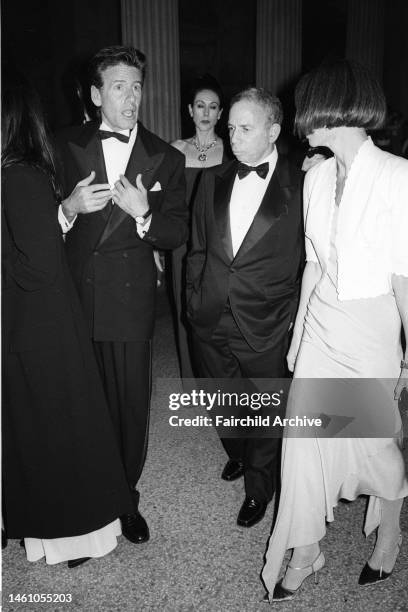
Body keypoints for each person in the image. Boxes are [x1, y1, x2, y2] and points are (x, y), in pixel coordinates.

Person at [262, 59, 408, 602]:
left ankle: (390, 531)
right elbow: (314, 265)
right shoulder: (318, 175)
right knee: (301, 440)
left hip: (371, 329)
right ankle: (305, 550)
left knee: (373, 443)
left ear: (338, 108)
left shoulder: (398, 177)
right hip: (322, 325)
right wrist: (299, 339)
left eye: (308, 109)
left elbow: (403, 278)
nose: (302, 121)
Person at [55, 46, 188, 544]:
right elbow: (27, 223)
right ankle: (87, 492)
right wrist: (66, 209)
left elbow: (176, 232)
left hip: (131, 304)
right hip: (75, 298)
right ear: (95, 94)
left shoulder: (166, 157)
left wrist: (144, 214)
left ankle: (125, 498)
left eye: (137, 86)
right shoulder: (61, 144)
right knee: (80, 402)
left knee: (131, 406)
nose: (131, 97)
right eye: (118, 86)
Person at [1, 68, 133, 567]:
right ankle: (61, 532)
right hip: (40, 324)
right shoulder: (20, 174)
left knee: (56, 432)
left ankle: (77, 533)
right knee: (51, 432)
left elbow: (34, 267)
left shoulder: (19, 177)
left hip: (40, 329)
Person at [186, 87, 304, 527]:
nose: (232, 136)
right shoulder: (212, 178)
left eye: (244, 128)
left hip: (267, 321)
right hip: (211, 313)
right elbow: (197, 249)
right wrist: (194, 300)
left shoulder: (303, 183)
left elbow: (310, 258)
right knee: (223, 399)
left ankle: (259, 485)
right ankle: (236, 450)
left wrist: (294, 316)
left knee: (266, 406)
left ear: (274, 130)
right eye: (231, 127)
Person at [171, 75, 229, 378]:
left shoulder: (232, 151)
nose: (206, 112)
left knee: (218, 311)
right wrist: (159, 244)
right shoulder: (175, 150)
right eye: (200, 106)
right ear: (190, 110)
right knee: (186, 308)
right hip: (183, 241)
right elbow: (164, 202)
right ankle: (191, 382)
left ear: (220, 114)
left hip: (219, 242)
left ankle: (216, 380)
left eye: (213, 107)